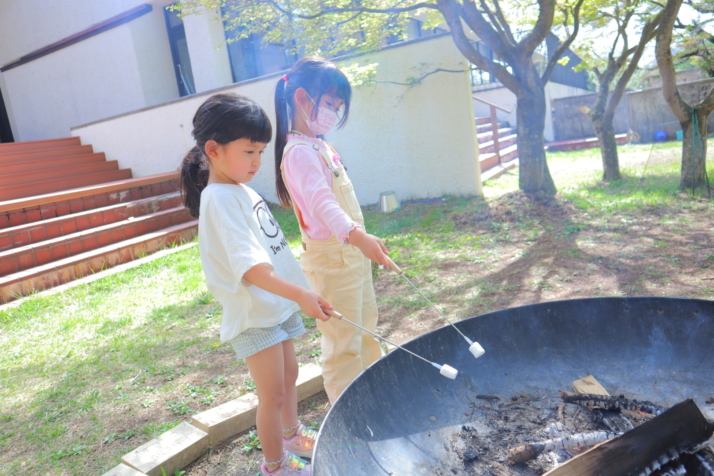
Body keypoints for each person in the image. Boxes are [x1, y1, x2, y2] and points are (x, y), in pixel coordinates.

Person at [180, 93, 330, 476]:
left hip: (274, 306)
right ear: (213, 149)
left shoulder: (241, 191)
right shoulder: (219, 199)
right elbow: (250, 270)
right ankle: (276, 466)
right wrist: (302, 293)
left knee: (291, 376)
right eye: (249, 151)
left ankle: (292, 434)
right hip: (254, 314)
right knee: (273, 393)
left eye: (260, 151)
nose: (257, 162)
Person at [274, 57, 391, 404]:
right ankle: (350, 417)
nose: (332, 112)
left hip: (351, 256)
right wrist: (358, 235)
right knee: (343, 344)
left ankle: (378, 401)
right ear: (301, 98)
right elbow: (323, 204)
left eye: (337, 107)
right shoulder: (297, 152)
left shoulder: (320, 145)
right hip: (332, 263)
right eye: (328, 103)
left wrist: (360, 242)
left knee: (367, 330)